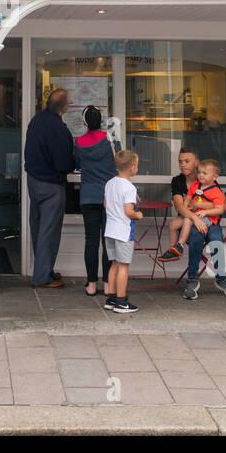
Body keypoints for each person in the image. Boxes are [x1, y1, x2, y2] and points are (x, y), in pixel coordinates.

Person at [24, 88, 76, 288]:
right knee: (49, 231)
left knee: (38, 227)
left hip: (33, 180)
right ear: (64, 107)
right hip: (51, 184)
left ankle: (43, 270)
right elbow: (64, 163)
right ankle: (42, 277)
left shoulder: (36, 121)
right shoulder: (59, 129)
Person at [179, 159, 226, 300]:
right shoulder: (195, 185)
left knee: (217, 242)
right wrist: (188, 205)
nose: (200, 175)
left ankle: (222, 278)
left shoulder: (217, 191)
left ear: (214, 177)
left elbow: (220, 210)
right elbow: (187, 199)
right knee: (195, 239)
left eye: (205, 173)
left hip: (212, 224)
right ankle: (192, 278)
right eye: (199, 172)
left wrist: (205, 212)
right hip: (196, 223)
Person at [73, 106, 117, 296]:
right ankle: (107, 284)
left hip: (88, 196)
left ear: (84, 122)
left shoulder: (78, 142)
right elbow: (120, 162)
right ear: (101, 120)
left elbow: (76, 164)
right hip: (109, 197)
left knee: (90, 240)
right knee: (107, 241)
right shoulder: (111, 139)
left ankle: (91, 285)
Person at [102, 149, 145, 313]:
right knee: (123, 266)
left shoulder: (109, 183)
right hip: (123, 231)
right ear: (132, 167)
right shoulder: (129, 187)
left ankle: (111, 299)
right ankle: (121, 302)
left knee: (114, 264)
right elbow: (128, 211)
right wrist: (138, 215)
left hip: (110, 230)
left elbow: (106, 204)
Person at [157, 147, 199, 262]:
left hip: (206, 217)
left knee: (184, 223)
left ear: (196, 163)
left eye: (187, 161)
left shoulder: (205, 178)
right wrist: (193, 215)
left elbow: (223, 205)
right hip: (190, 217)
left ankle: (177, 247)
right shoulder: (177, 180)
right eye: (180, 162)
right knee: (173, 224)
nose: (183, 165)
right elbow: (179, 207)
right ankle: (174, 251)